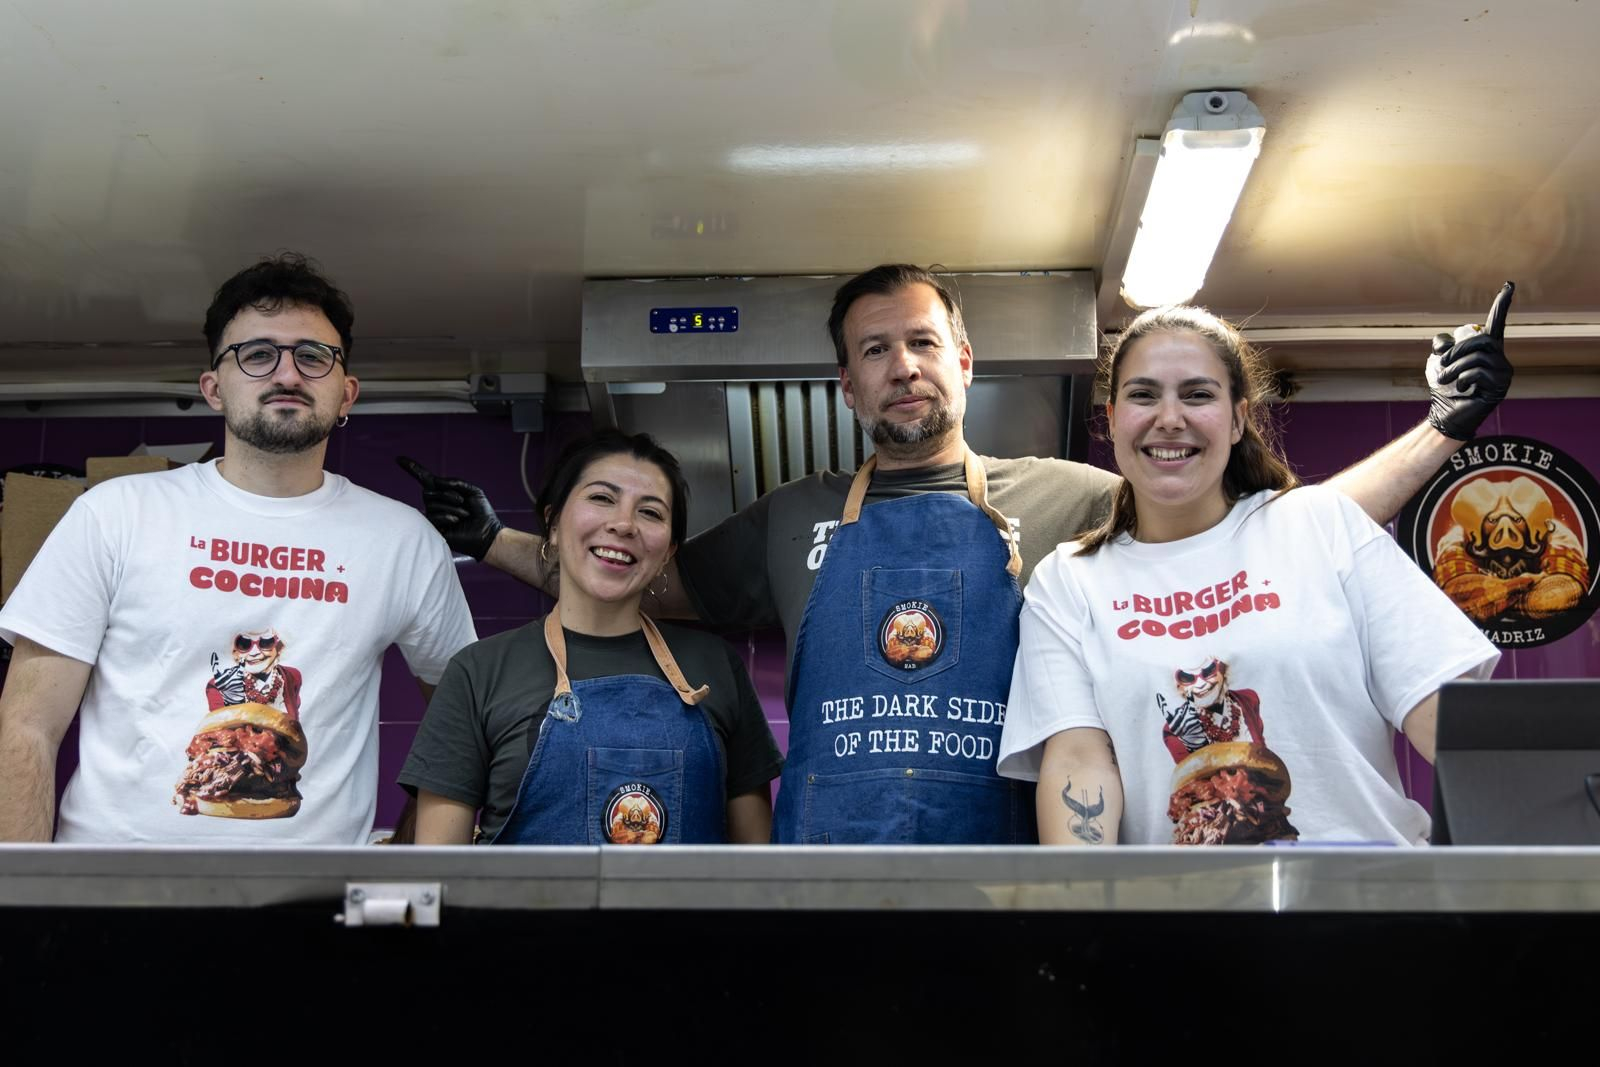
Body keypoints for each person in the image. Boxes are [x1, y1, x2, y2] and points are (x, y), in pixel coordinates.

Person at [402, 265, 1513, 845]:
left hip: (1000, 873)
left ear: (965, 360)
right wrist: (496, 540)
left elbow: (1270, 531)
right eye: (874, 351)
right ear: (846, 385)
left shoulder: (1075, 500)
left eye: (922, 342)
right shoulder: (790, 515)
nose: (903, 366)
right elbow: (624, 571)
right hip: (826, 876)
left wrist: (1441, 434)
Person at [0, 253, 477, 843]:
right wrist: (22, 889)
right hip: (116, 886)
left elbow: (466, 723)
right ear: (214, 388)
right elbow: (27, 726)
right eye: (257, 354)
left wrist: (411, 855)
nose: (287, 374)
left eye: (313, 356)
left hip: (316, 893)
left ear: (346, 393)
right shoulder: (116, 513)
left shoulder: (403, 540)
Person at [995, 304, 1502, 846]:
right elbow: (1079, 762)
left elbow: (1444, 720)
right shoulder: (1069, 582)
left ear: (1238, 419)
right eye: (1144, 395)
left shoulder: (1322, 525)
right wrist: (1079, 900)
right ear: (1113, 418)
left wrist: (1532, 869)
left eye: (1197, 395)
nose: (1170, 418)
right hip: (1182, 899)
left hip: (1373, 888)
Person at [400, 431, 781, 844]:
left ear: (669, 552)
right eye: (602, 498)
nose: (624, 524)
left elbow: (758, 868)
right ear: (553, 523)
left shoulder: (716, 667)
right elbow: (438, 871)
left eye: (650, 512)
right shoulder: (479, 672)